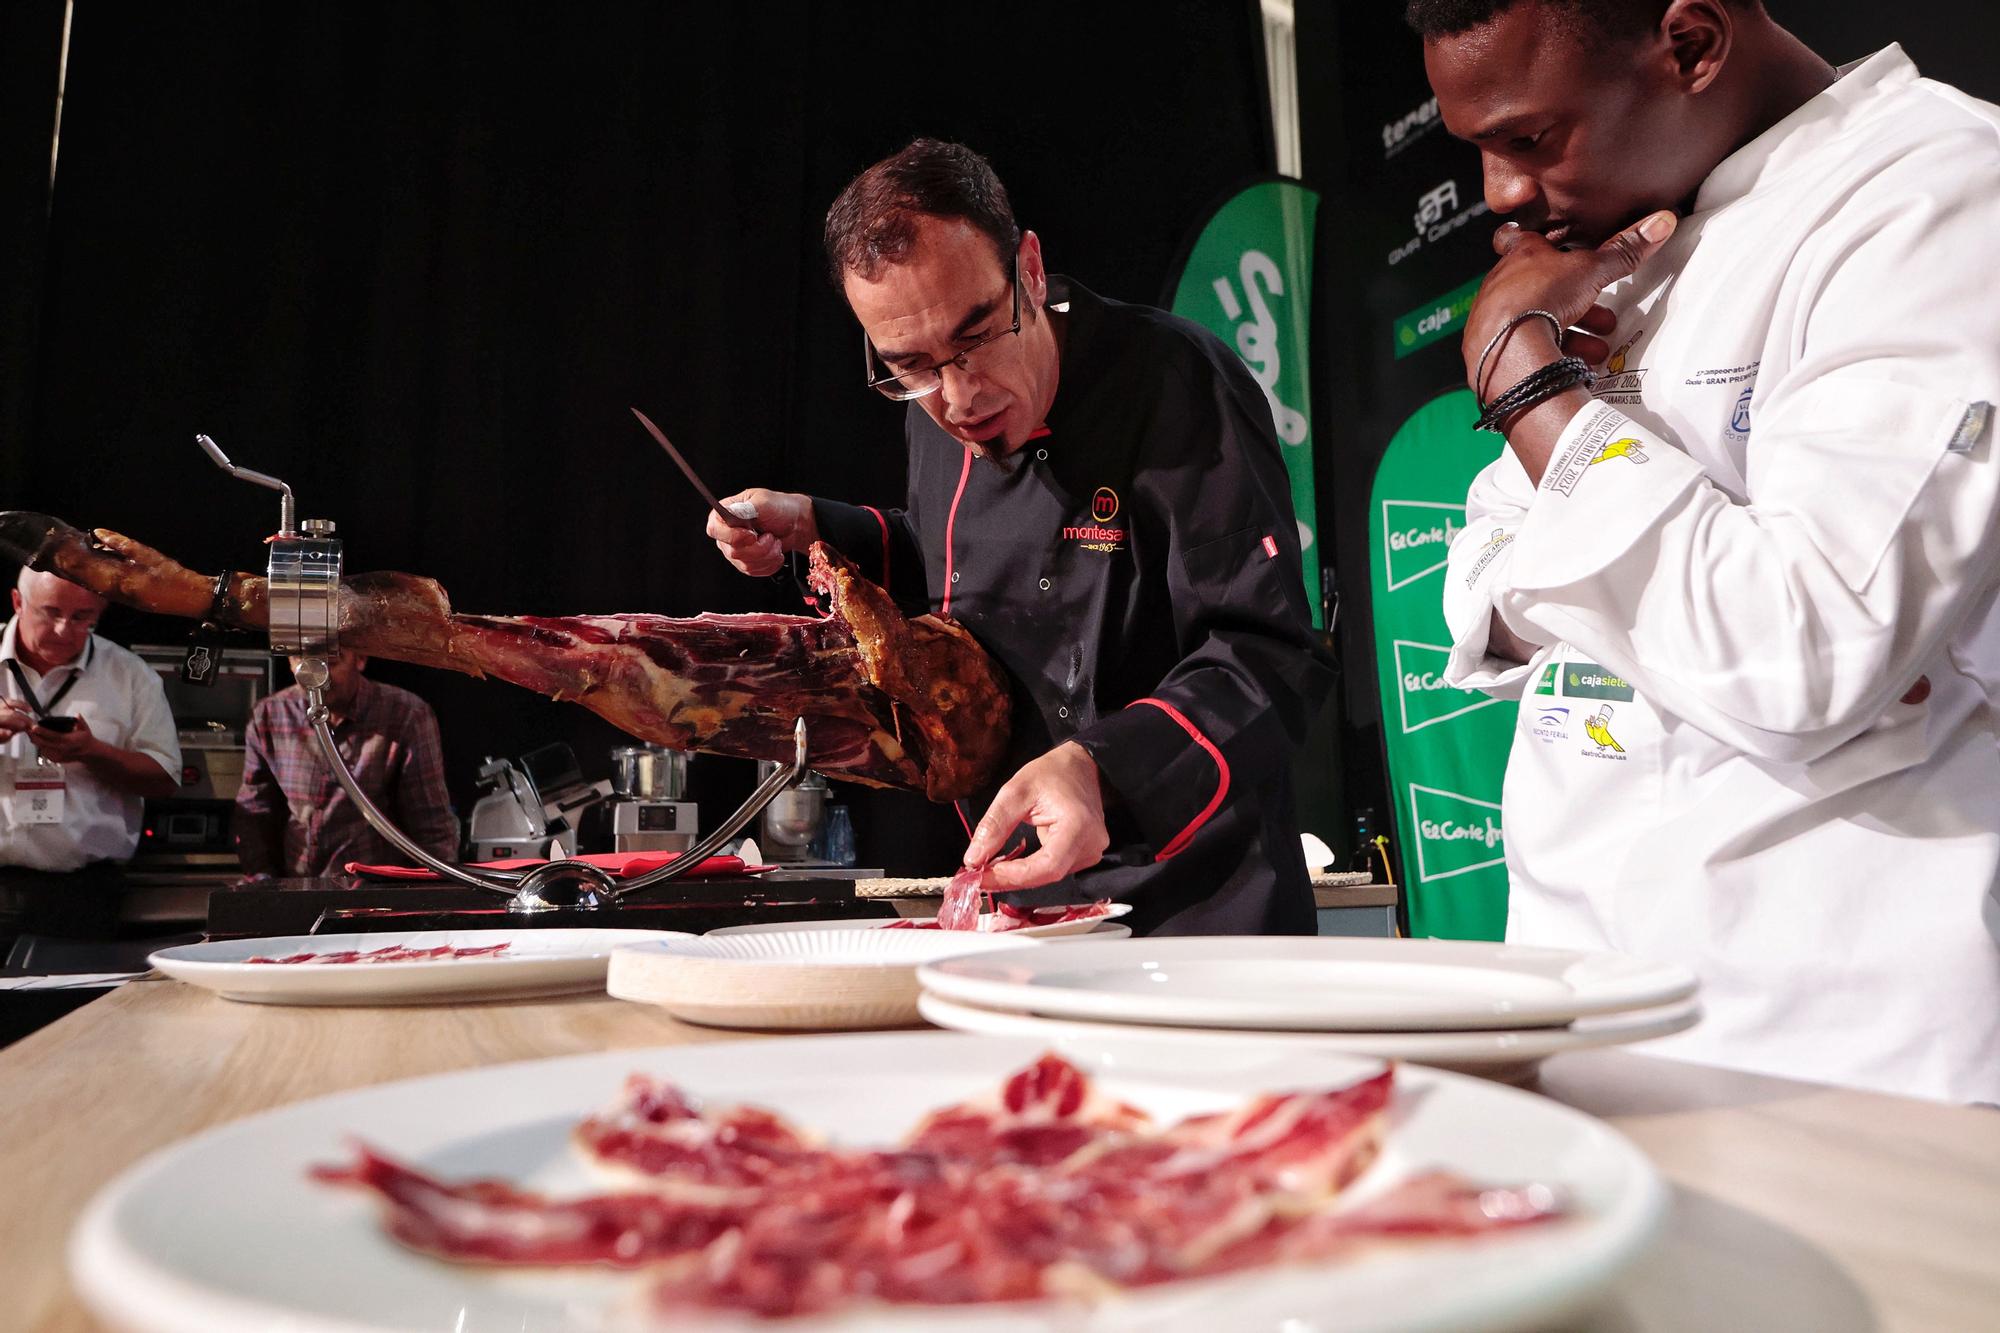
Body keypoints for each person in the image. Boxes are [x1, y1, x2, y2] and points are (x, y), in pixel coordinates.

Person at [1414, 0, 2000, 1100]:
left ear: (1688, 44)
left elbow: (1800, 653)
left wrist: (1526, 388)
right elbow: (1482, 584)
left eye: (1528, 139)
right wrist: (1628, 536)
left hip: (1833, 1033)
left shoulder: (1935, 193)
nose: (1498, 195)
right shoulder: (1624, 249)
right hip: (1570, 988)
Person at [707, 139, 1333, 935]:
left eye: (976, 338)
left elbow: (1272, 654)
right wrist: (814, 526)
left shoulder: (1178, 386)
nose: (959, 397)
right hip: (1021, 908)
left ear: (1029, 270)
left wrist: (1101, 767)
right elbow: (958, 571)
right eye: (913, 367)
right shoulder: (933, 408)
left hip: (1201, 903)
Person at [1, 567, 181, 940]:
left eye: (82, 617)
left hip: (81, 894)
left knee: (75, 1000)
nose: (65, 629)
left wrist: (94, 752)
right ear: (18, 602)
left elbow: (164, 780)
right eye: (50, 612)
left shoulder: (130, 675)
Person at [235, 650, 458, 879]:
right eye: (302, 662)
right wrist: (262, 885)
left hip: (373, 895)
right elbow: (255, 814)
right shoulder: (269, 715)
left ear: (360, 658)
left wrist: (434, 896)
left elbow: (432, 828)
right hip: (296, 890)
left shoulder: (406, 715)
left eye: (330, 662)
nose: (316, 678)